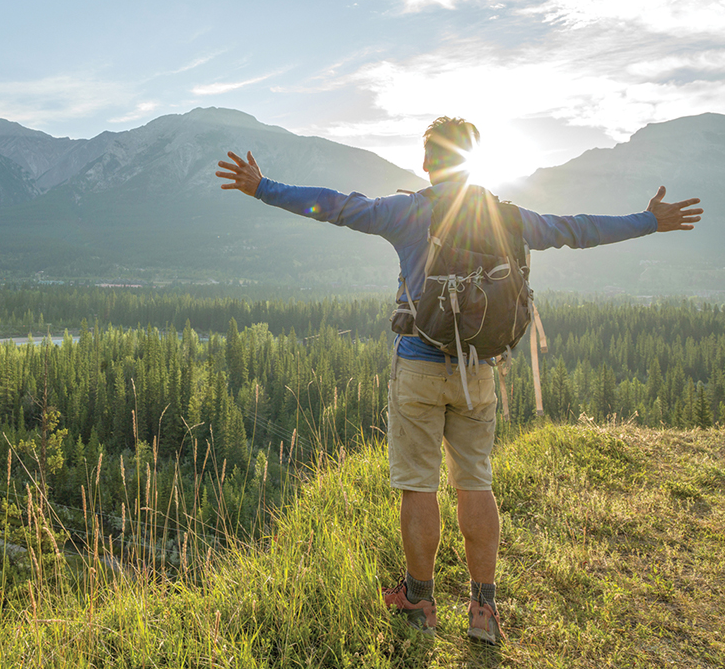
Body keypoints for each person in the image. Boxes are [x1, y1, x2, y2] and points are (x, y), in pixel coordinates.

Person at [215, 117, 702, 645]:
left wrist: (262, 187)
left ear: (427, 162)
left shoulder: (406, 211)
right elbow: (578, 229)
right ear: (474, 159)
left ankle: (420, 601)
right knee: (476, 481)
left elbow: (335, 205)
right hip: (479, 368)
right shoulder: (508, 218)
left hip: (419, 366)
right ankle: (483, 610)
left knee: (418, 485)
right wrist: (649, 221)